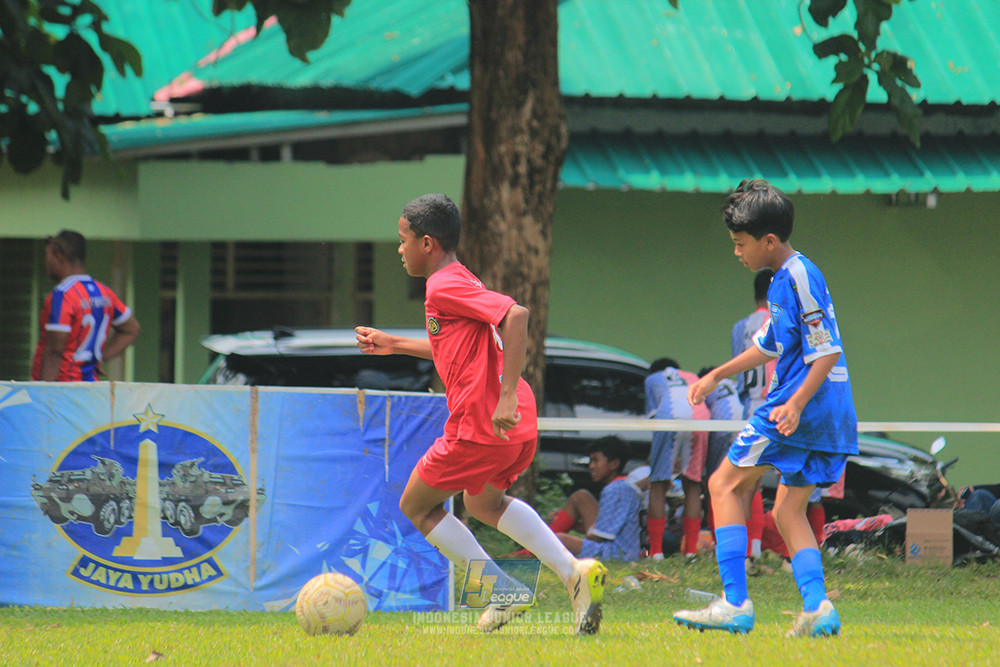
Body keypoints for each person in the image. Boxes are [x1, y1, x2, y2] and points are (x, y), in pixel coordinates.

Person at [354, 193, 607, 635]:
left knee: (416, 505)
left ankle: (501, 592)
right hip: (516, 422)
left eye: (403, 239)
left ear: (427, 243)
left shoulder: (442, 285)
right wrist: (394, 343)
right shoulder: (458, 278)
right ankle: (573, 574)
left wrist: (504, 397)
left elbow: (516, 315)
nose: (399, 249)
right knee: (484, 503)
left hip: (482, 422)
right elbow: (453, 345)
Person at [673, 179, 858, 638]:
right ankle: (818, 608)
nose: (737, 252)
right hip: (823, 412)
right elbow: (768, 346)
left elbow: (827, 349)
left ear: (769, 240)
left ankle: (735, 602)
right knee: (788, 512)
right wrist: (717, 375)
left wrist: (795, 403)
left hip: (799, 408)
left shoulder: (798, 276)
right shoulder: (783, 281)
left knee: (722, 484)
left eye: (741, 243)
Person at [31, 230, 140, 381]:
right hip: (89, 386)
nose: (47, 262)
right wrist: (100, 357)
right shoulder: (104, 292)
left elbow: (54, 351)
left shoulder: (63, 295)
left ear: (59, 256)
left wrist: (44, 391)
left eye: (48, 255)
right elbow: (131, 329)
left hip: (64, 387)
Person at [644, 358, 710, 560]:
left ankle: (655, 552)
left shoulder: (651, 380)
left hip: (670, 415)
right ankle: (690, 551)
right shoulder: (692, 376)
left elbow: (653, 416)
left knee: (658, 483)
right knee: (693, 484)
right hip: (699, 416)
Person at [546, 436, 643, 562]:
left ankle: (530, 552)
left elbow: (599, 537)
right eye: (590, 461)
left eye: (596, 461)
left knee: (560, 540)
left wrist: (575, 543)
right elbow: (604, 530)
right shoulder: (621, 485)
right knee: (581, 496)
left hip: (618, 554)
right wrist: (570, 524)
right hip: (621, 550)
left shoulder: (614, 490)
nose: (591, 466)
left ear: (614, 464)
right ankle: (536, 546)